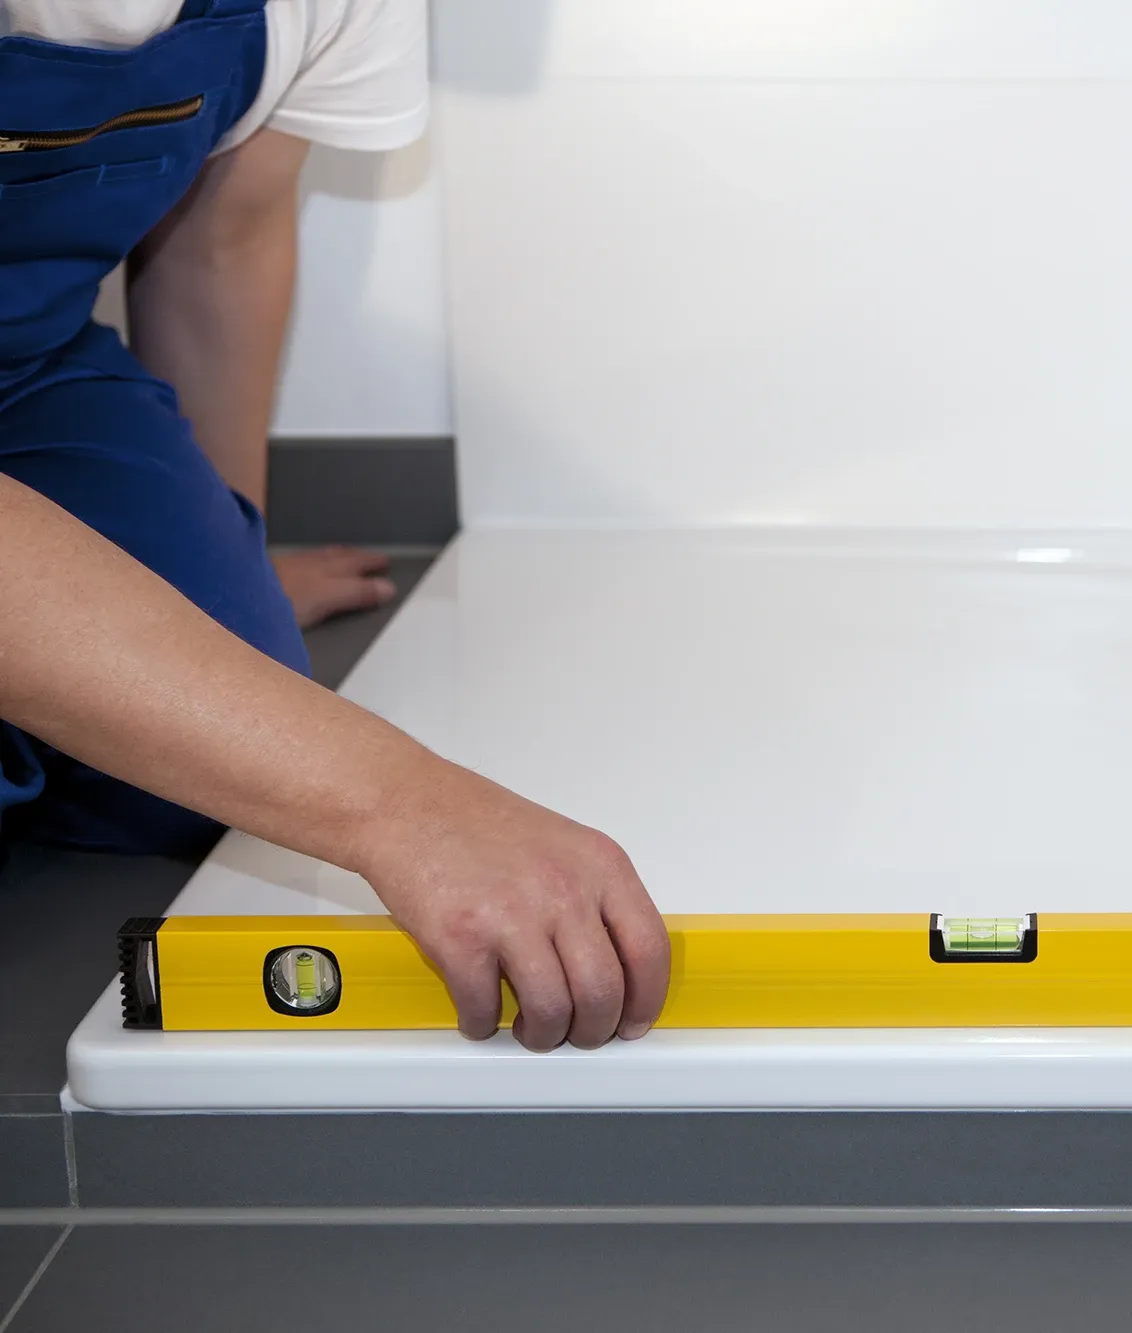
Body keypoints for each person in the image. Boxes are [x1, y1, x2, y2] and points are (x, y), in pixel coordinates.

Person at [0, 0, 669, 1052]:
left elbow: (225, 240)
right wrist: (401, 802)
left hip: (20, 368)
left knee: (199, 765)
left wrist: (223, 572)